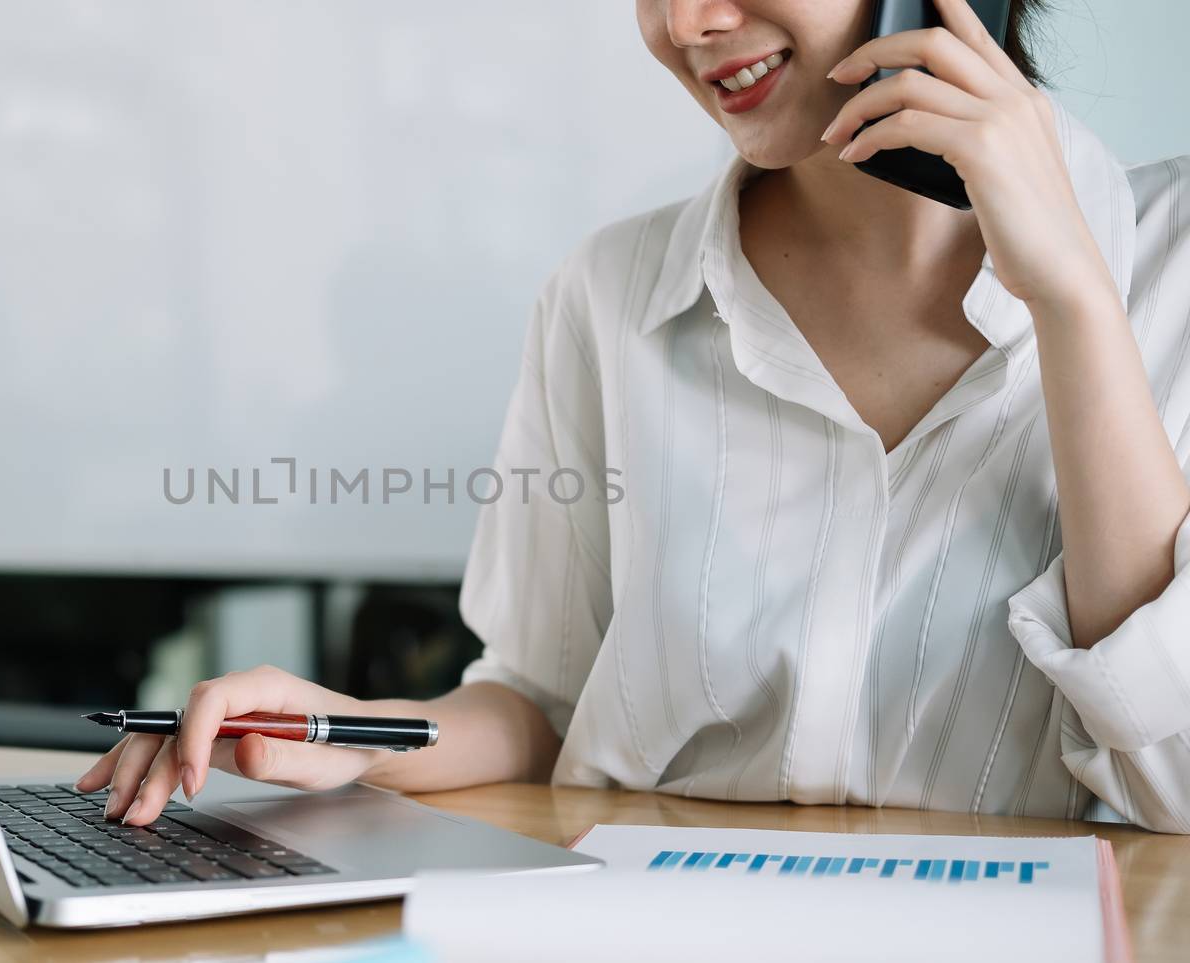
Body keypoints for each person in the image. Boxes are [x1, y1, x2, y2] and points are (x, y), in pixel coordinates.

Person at [79, 0, 1190, 834]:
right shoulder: (611, 294)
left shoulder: (1167, 264)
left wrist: (1074, 303)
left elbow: (1175, 784)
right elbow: (543, 706)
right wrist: (349, 734)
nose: (682, 23)